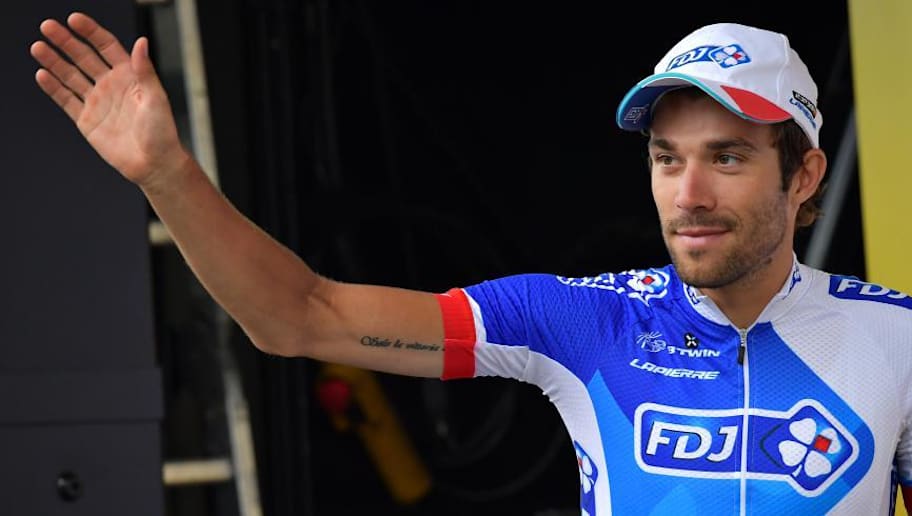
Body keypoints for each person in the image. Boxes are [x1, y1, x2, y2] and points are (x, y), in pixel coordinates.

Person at [30, 12, 912, 515]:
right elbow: (299, 316)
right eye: (666, 158)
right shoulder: (586, 321)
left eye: (726, 157)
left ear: (804, 176)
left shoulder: (897, 337)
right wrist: (167, 174)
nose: (688, 194)